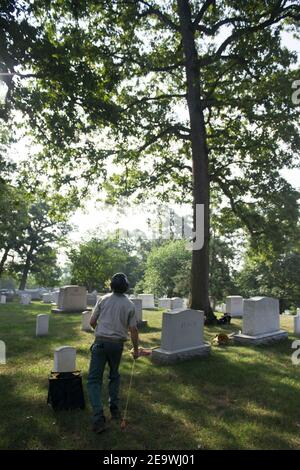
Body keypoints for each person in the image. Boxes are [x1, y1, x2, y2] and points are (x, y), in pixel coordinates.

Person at [87, 273, 139, 434]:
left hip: (100, 342)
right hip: (117, 345)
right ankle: (114, 409)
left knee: (94, 380)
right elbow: (133, 330)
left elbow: (92, 322)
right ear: (126, 287)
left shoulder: (103, 299)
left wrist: (101, 333)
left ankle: (98, 417)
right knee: (114, 375)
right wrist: (136, 349)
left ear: (111, 285)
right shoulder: (129, 305)